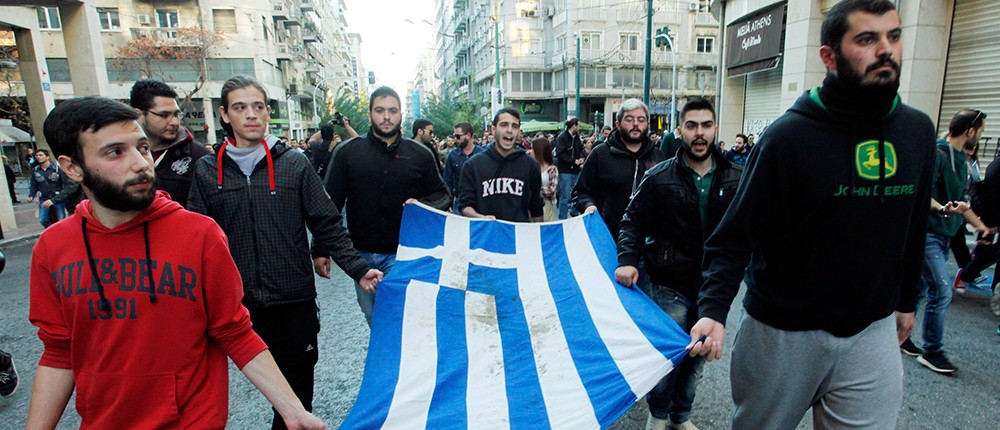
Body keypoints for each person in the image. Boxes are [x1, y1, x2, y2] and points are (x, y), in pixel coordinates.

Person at [688, 1, 936, 427]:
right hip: (783, 331)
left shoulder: (917, 131)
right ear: (828, 56)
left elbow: (913, 226)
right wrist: (712, 311)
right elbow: (733, 237)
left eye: (893, 36)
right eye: (866, 39)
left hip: (872, 330)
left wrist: (907, 300)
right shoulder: (788, 138)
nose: (886, 49)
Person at [27, 96, 325, 429]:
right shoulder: (52, 248)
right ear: (72, 167)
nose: (141, 163)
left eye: (142, 148)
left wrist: (293, 410)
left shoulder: (199, 234)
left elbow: (235, 331)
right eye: (115, 152)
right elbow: (57, 353)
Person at [188, 76, 381, 430]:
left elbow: (326, 221)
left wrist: (357, 268)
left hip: (293, 301)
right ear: (224, 115)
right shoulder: (205, 170)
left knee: (296, 399)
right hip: (237, 307)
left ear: (267, 112)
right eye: (240, 107)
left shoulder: (294, 164)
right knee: (210, 398)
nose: (251, 115)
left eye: (258, 107)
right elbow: (195, 238)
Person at [617, 97, 740, 430]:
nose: (699, 133)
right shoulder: (659, 176)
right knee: (667, 358)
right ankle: (657, 416)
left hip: (713, 289)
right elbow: (631, 221)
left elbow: (752, 230)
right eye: (691, 125)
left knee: (697, 359)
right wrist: (628, 259)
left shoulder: (736, 177)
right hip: (668, 284)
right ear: (680, 130)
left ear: (715, 129)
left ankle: (679, 416)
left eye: (706, 125)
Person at [318, 86, 451, 326]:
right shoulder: (348, 152)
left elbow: (443, 195)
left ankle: (406, 362)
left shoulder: (420, 154)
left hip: (405, 254)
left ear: (401, 115)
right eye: (380, 110)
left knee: (405, 317)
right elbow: (329, 205)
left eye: (392, 110)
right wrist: (319, 249)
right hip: (360, 256)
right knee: (374, 318)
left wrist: (421, 204)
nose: (386, 116)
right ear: (370, 115)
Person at [899, 108, 989, 374]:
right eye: (981, 131)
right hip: (928, 234)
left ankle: (902, 335)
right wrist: (942, 209)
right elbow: (919, 193)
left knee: (921, 289)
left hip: (945, 236)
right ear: (970, 131)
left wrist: (980, 226)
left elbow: (961, 203)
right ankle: (933, 351)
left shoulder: (962, 160)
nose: (981, 137)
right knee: (941, 290)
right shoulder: (937, 155)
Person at [573, 98, 666, 240]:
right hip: (608, 237)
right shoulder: (600, 154)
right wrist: (588, 206)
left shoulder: (658, 156)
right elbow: (581, 192)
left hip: (647, 242)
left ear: (647, 124)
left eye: (641, 120)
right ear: (618, 124)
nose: (635, 124)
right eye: (629, 119)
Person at [129, 79, 211, 208]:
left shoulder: (198, 156)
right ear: (139, 115)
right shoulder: (121, 156)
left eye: (176, 114)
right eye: (164, 115)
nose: (174, 122)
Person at [458, 107, 543, 222]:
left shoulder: (530, 165)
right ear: (494, 129)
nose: (509, 130)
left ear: (518, 132)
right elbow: (465, 206)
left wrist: (540, 236)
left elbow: (536, 208)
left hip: (518, 237)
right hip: (486, 235)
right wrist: (481, 218)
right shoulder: (473, 165)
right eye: (504, 125)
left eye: (514, 126)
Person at [443, 122, 484, 213]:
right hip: (459, 201)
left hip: (481, 201)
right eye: (454, 136)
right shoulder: (452, 156)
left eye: (458, 136)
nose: (455, 140)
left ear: (468, 135)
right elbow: (447, 181)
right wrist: (447, 203)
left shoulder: (482, 154)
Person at [27, 149, 69, 228]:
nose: (38, 157)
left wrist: (64, 194)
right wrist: (31, 195)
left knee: (61, 218)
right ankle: (52, 231)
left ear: (47, 157)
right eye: (37, 156)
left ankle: (61, 234)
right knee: (43, 219)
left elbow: (65, 182)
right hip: (44, 198)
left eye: (41, 155)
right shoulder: (35, 170)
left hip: (57, 197)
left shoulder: (56, 169)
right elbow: (33, 184)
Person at [554, 118, 584, 219]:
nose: (579, 128)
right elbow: (560, 153)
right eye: (578, 125)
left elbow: (579, 149)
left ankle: (574, 211)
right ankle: (562, 218)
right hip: (565, 170)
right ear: (574, 126)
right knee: (565, 196)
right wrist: (572, 161)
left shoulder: (576, 137)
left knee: (576, 193)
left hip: (575, 170)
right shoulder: (562, 137)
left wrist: (580, 158)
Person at [530, 137, 558, 221]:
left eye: (532, 148)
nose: (530, 151)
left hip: (546, 205)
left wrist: (535, 189)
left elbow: (552, 190)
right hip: (530, 206)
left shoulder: (552, 169)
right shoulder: (530, 167)